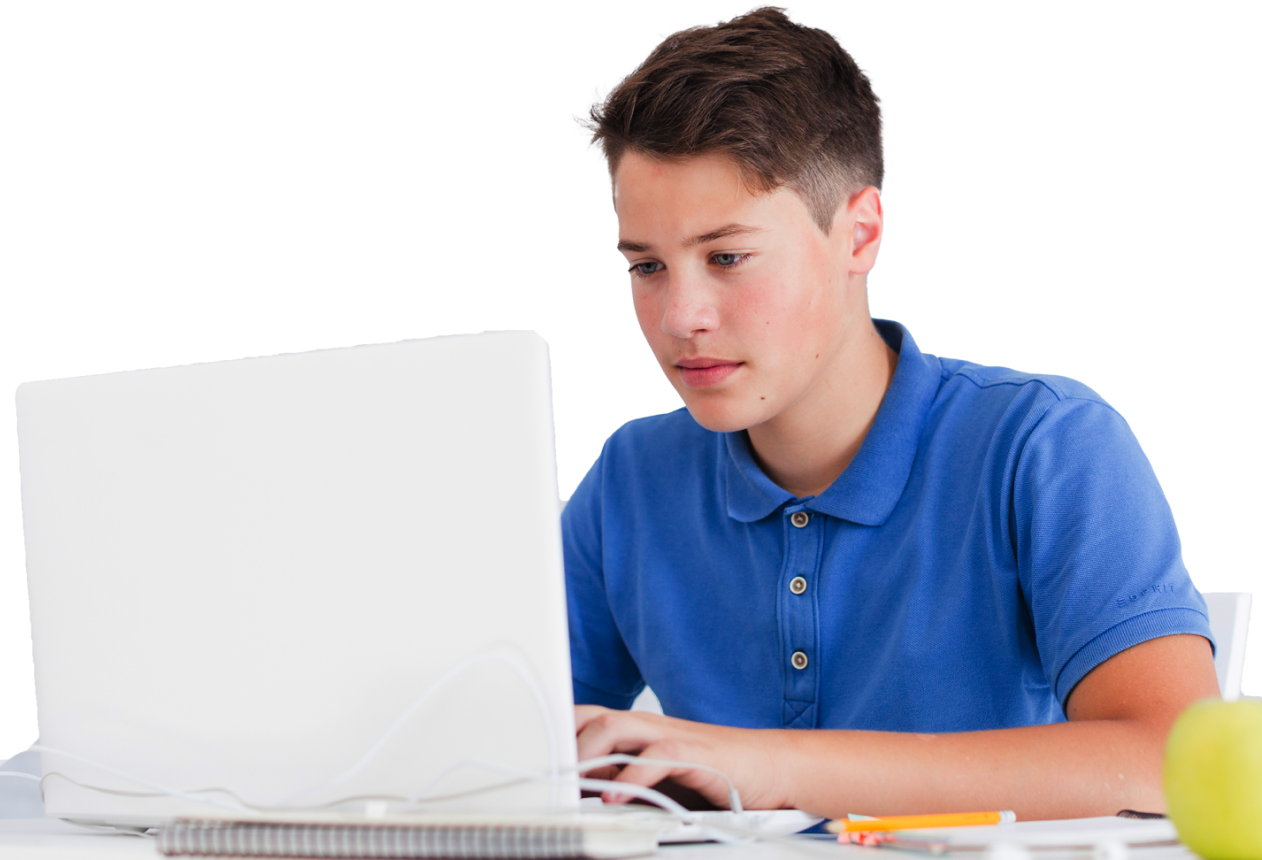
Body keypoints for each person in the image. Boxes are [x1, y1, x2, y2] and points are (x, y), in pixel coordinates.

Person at [561, 2, 1219, 821]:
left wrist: (764, 765)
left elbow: (1171, 760)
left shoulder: (1044, 442)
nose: (678, 316)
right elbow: (500, 749)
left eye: (727, 257)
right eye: (647, 265)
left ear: (860, 235)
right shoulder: (632, 477)